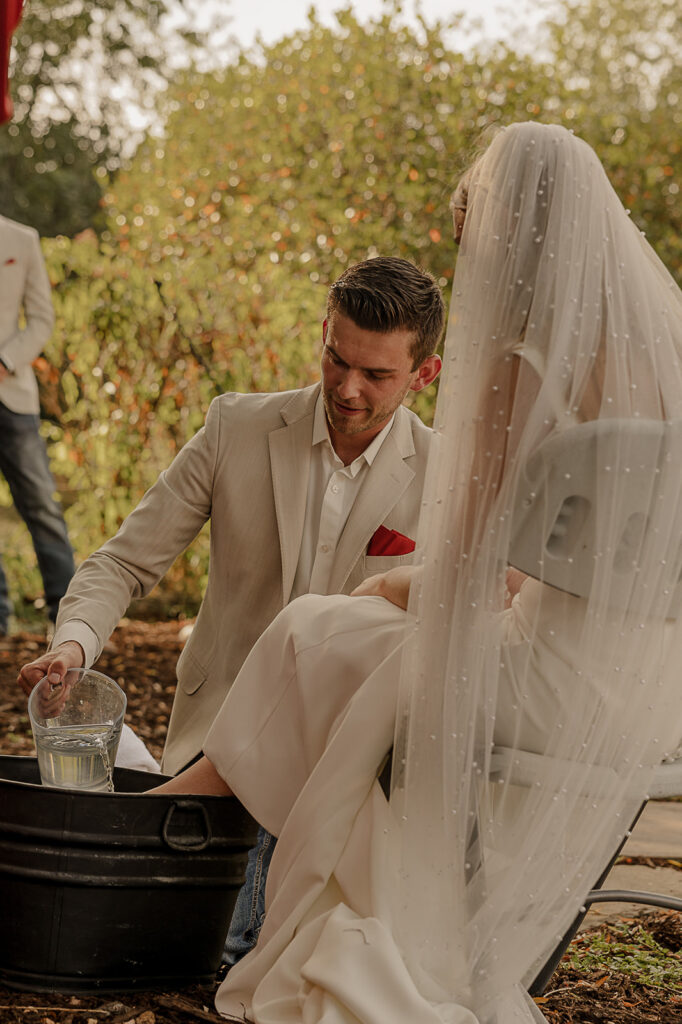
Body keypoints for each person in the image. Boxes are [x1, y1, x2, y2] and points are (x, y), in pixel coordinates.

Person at [150, 122, 682, 1024]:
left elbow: (468, 571)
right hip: (654, 694)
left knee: (322, 627)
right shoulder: (665, 362)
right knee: (343, 643)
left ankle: (171, 829)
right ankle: (191, 817)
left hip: (544, 680)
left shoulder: (525, 365)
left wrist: (392, 583)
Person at [18, 254, 444, 962]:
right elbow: (122, 562)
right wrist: (74, 647)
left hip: (347, 777)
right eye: (337, 359)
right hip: (220, 751)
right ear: (324, 333)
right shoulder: (235, 427)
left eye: (376, 375)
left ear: (424, 374)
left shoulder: (445, 474)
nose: (346, 387)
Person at [0, 213, 76, 638]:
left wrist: (5, 361)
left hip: (12, 396)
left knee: (42, 506)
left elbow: (42, 320)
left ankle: (66, 618)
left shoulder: (21, 240)